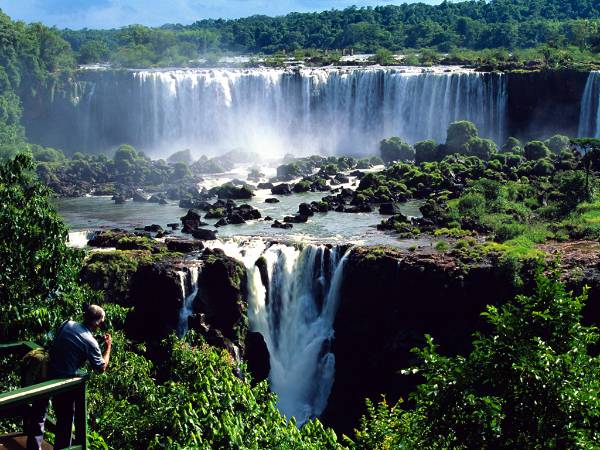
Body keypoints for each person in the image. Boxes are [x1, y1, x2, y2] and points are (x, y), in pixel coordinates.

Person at [25, 304, 112, 450]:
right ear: (100, 323)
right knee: (65, 421)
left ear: (85, 315)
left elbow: (65, 344)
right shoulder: (91, 342)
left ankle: (33, 447)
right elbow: (101, 368)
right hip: (64, 383)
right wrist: (108, 346)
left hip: (46, 372)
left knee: (39, 413)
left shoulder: (67, 324)